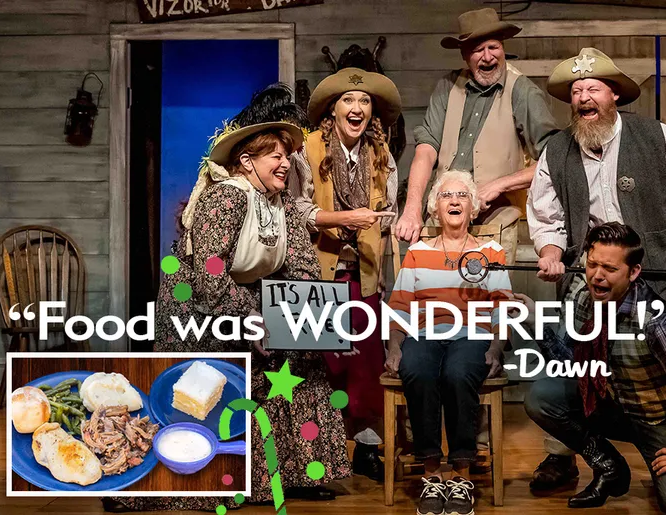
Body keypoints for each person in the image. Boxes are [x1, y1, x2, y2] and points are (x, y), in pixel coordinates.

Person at [104, 117, 349, 512]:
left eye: (287, 155)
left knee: (303, 360)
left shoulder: (282, 203)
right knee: (202, 388)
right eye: (275, 155)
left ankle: (287, 476)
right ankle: (160, 484)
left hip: (246, 297)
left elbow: (301, 266)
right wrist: (253, 317)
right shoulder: (226, 198)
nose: (285, 163)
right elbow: (209, 276)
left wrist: (322, 325)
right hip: (197, 304)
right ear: (247, 161)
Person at [525, 47, 666, 492]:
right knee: (569, 367)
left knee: (652, 367)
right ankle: (572, 457)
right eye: (576, 91)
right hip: (586, 281)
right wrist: (551, 250)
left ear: (613, 95)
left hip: (650, 279)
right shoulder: (556, 149)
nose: (583, 97)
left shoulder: (657, 137)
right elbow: (545, 214)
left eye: (593, 88)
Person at [523, 222, 666, 514]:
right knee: (543, 397)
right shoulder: (584, 302)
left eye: (610, 269)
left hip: (658, 420)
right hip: (614, 408)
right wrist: (532, 321)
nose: (597, 276)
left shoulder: (656, 320)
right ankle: (609, 466)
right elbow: (571, 366)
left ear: (634, 272)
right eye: (592, 265)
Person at [385, 170, 511, 515]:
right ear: (434, 208)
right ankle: (431, 474)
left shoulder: (491, 252)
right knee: (418, 370)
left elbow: (502, 307)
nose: (454, 201)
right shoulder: (417, 252)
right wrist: (395, 347)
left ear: (472, 208)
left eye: (462, 196)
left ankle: (460, 476)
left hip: (473, 334)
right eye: (445, 196)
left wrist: (496, 347)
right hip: (425, 333)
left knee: (458, 374)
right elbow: (399, 308)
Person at [297, 67, 401, 482]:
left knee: (364, 364)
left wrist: (375, 226)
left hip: (364, 272)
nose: (356, 108)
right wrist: (343, 219)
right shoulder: (306, 151)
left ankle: (368, 447)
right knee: (319, 365)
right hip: (316, 271)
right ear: (332, 110)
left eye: (364, 102)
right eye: (348, 101)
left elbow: (389, 209)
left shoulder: (381, 154)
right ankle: (315, 450)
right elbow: (298, 209)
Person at [395, 7, 560, 264]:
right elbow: (426, 150)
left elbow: (554, 160)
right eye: (477, 50)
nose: (487, 57)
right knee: (432, 293)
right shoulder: (447, 87)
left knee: (488, 301)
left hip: (494, 223)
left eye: (493, 47)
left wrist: (499, 185)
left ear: (503, 47)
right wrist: (413, 207)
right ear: (464, 55)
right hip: (442, 219)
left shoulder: (522, 91)